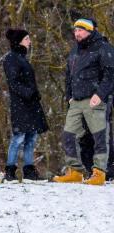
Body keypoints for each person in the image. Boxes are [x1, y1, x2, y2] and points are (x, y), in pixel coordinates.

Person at [53, 18, 114, 186]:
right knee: (68, 135)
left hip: (95, 100)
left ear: (90, 31)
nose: (76, 33)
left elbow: (110, 75)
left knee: (99, 137)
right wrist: (69, 96)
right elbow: (68, 76)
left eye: (80, 30)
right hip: (76, 101)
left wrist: (100, 94)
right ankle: (75, 171)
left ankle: (99, 173)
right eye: (75, 30)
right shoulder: (75, 51)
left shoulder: (103, 48)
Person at [2, 28, 49, 180]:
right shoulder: (11, 58)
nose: (30, 41)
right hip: (20, 105)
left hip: (31, 105)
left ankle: (29, 171)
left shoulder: (22, 58)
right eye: (27, 39)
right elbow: (14, 82)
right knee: (18, 138)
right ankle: (10, 172)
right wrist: (30, 93)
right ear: (19, 41)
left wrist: (35, 94)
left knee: (31, 137)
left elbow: (27, 82)